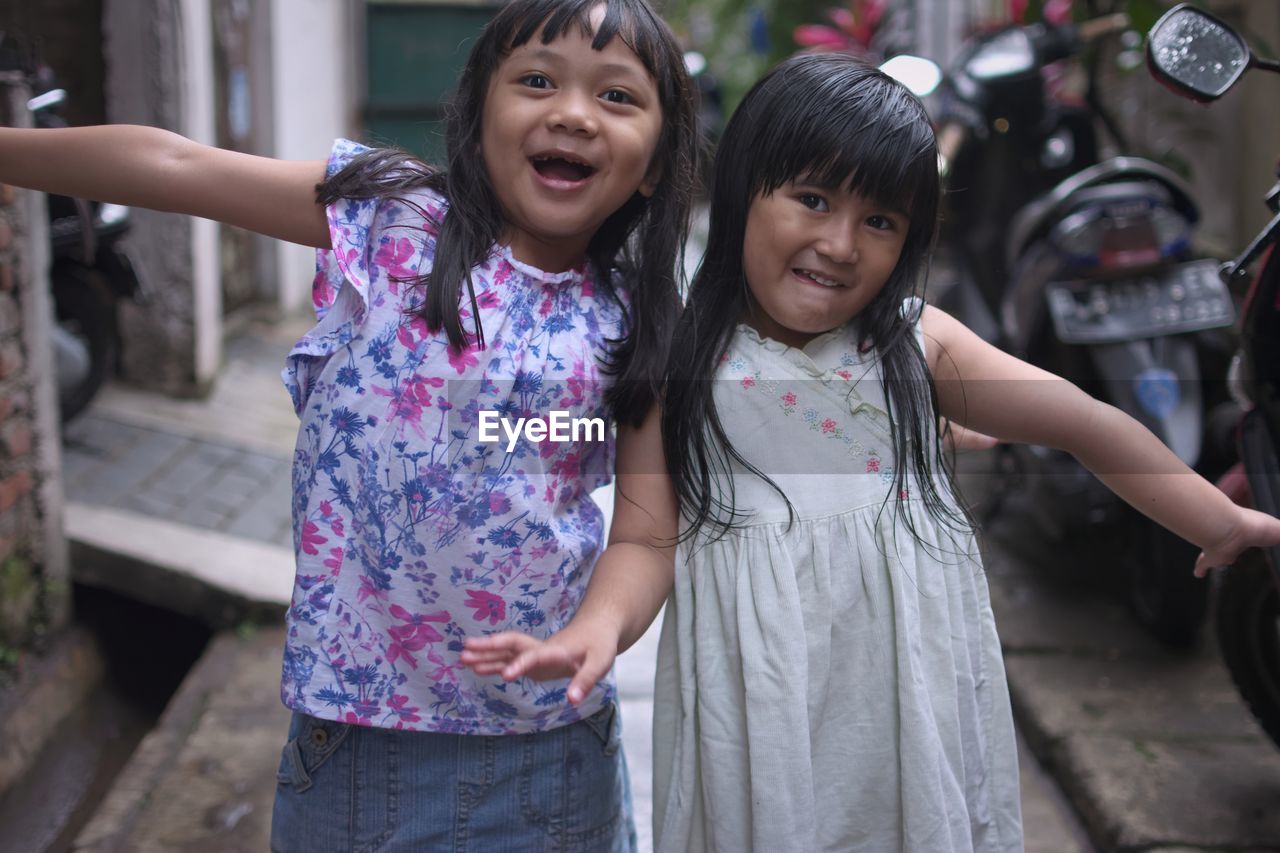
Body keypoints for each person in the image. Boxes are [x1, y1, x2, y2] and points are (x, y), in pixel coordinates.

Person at [459, 53, 1280, 852]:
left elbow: (1086, 421)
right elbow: (643, 536)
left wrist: (1220, 520)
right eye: (812, 198)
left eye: (880, 220)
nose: (842, 243)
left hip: (908, 704)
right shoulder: (677, 360)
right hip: (762, 713)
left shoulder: (915, 346)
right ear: (744, 194)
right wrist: (597, 630)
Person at [0, 0, 699, 848]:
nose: (572, 113)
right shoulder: (391, 219)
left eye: (617, 97)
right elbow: (175, 162)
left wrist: (597, 627)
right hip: (359, 752)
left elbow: (644, 535)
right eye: (538, 80)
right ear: (480, 111)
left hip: (549, 757)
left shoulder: (640, 324)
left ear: (658, 161)